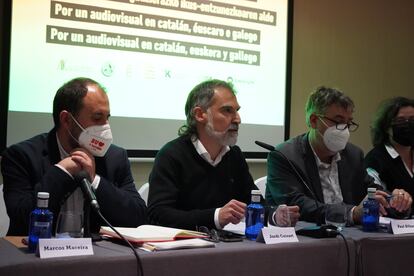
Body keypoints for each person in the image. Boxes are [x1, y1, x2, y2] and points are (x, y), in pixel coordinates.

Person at [1, 77, 147, 235]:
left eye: (107, 118)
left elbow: (138, 217)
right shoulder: (21, 156)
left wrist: (95, 180)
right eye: (97, 118)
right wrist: (61, 172)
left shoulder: (115, 157)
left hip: (97, 256)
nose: (106, 126)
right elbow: (21, 217)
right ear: (66, 120)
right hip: (36, 255)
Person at [147, 79, 299, 230]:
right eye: (227, 110)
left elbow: (253, 203)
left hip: (227, 245)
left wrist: (275, 216)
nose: (238, 119)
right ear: (200, 114)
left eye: (237, 111)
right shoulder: (171, 155)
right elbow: (158, 214)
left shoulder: (234, 155)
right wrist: (215, 216)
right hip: (184, 248)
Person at [266, 86, 412, 225]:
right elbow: (298, 205)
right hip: (306, 240)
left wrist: (396, 201)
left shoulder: (353, 155)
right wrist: (352, 213)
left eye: (348, 123)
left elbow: (372, 190)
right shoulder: (284, 156)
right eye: (338, 121)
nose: (344, 130)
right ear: (314, 121)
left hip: (352, 238)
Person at [364, 97, 414, 215]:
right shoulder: (375, 160)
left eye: (413, 120)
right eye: (400, 121)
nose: (408, 125)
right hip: (396, 228)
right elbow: (378, 200)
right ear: (386, 127)